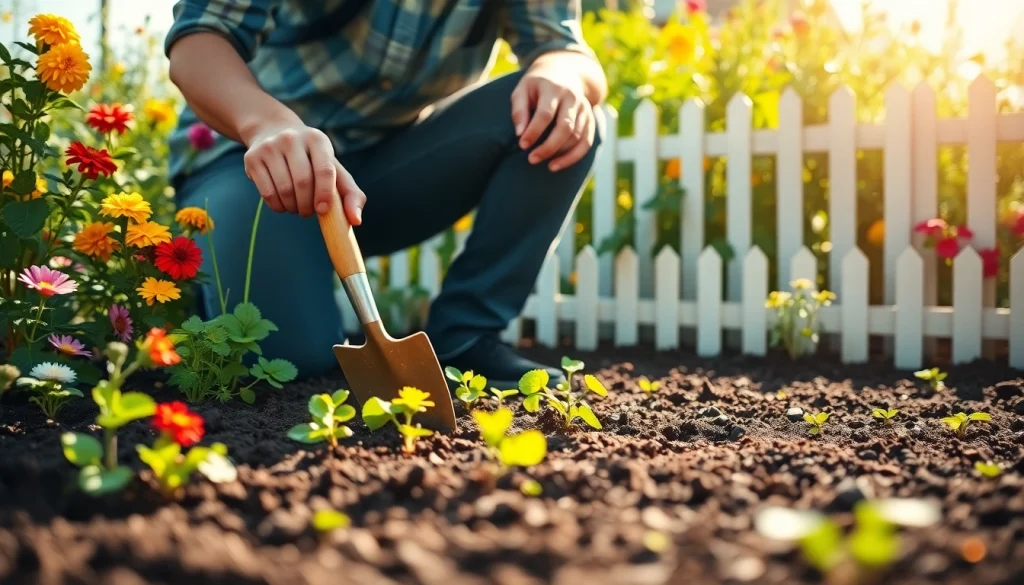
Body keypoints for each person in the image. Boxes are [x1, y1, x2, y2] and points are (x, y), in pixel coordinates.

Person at [164, 0, 607, 388]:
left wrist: (560, 73)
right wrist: (267, 124)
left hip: (377, 181)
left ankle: (464, 337)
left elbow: (566, 49)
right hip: (255, 166)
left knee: (564, 115)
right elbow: (199, 41)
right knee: (291, 363)